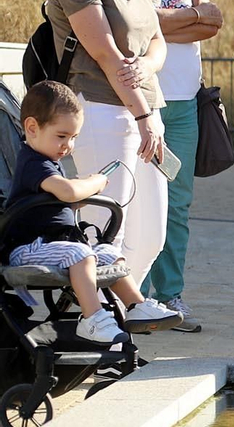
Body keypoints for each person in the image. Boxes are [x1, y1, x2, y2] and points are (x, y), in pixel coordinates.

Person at [44, 0, 178, 308]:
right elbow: (104, 53)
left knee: (151, 232)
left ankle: (119, 314)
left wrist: (146, 69)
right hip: (101, 109)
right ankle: (91, 324)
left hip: (145, 110)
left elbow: (157, 42)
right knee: (105, 226)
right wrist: (141, 116)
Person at [5, 82, 181, 343]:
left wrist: (74, 201)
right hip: (28, 247)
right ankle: (93, 319)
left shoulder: (49, 161)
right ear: (32, 128)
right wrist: (94, 182)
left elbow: (60, 199)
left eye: (74, 138)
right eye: (62, 136)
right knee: (81, 253)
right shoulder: (33, 163)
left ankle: (135, 306)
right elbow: (67, 192)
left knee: (110, 254)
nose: (68, 145)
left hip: (54, 242)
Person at [132, 0, 222, 333]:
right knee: (140, 200)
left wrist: (165, 24)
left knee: (177, 205)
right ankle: (137, 297)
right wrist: (183, 20)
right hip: (142, 107)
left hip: (185, 107)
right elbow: (139, 30)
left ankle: (170, 296)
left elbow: (214, 20)